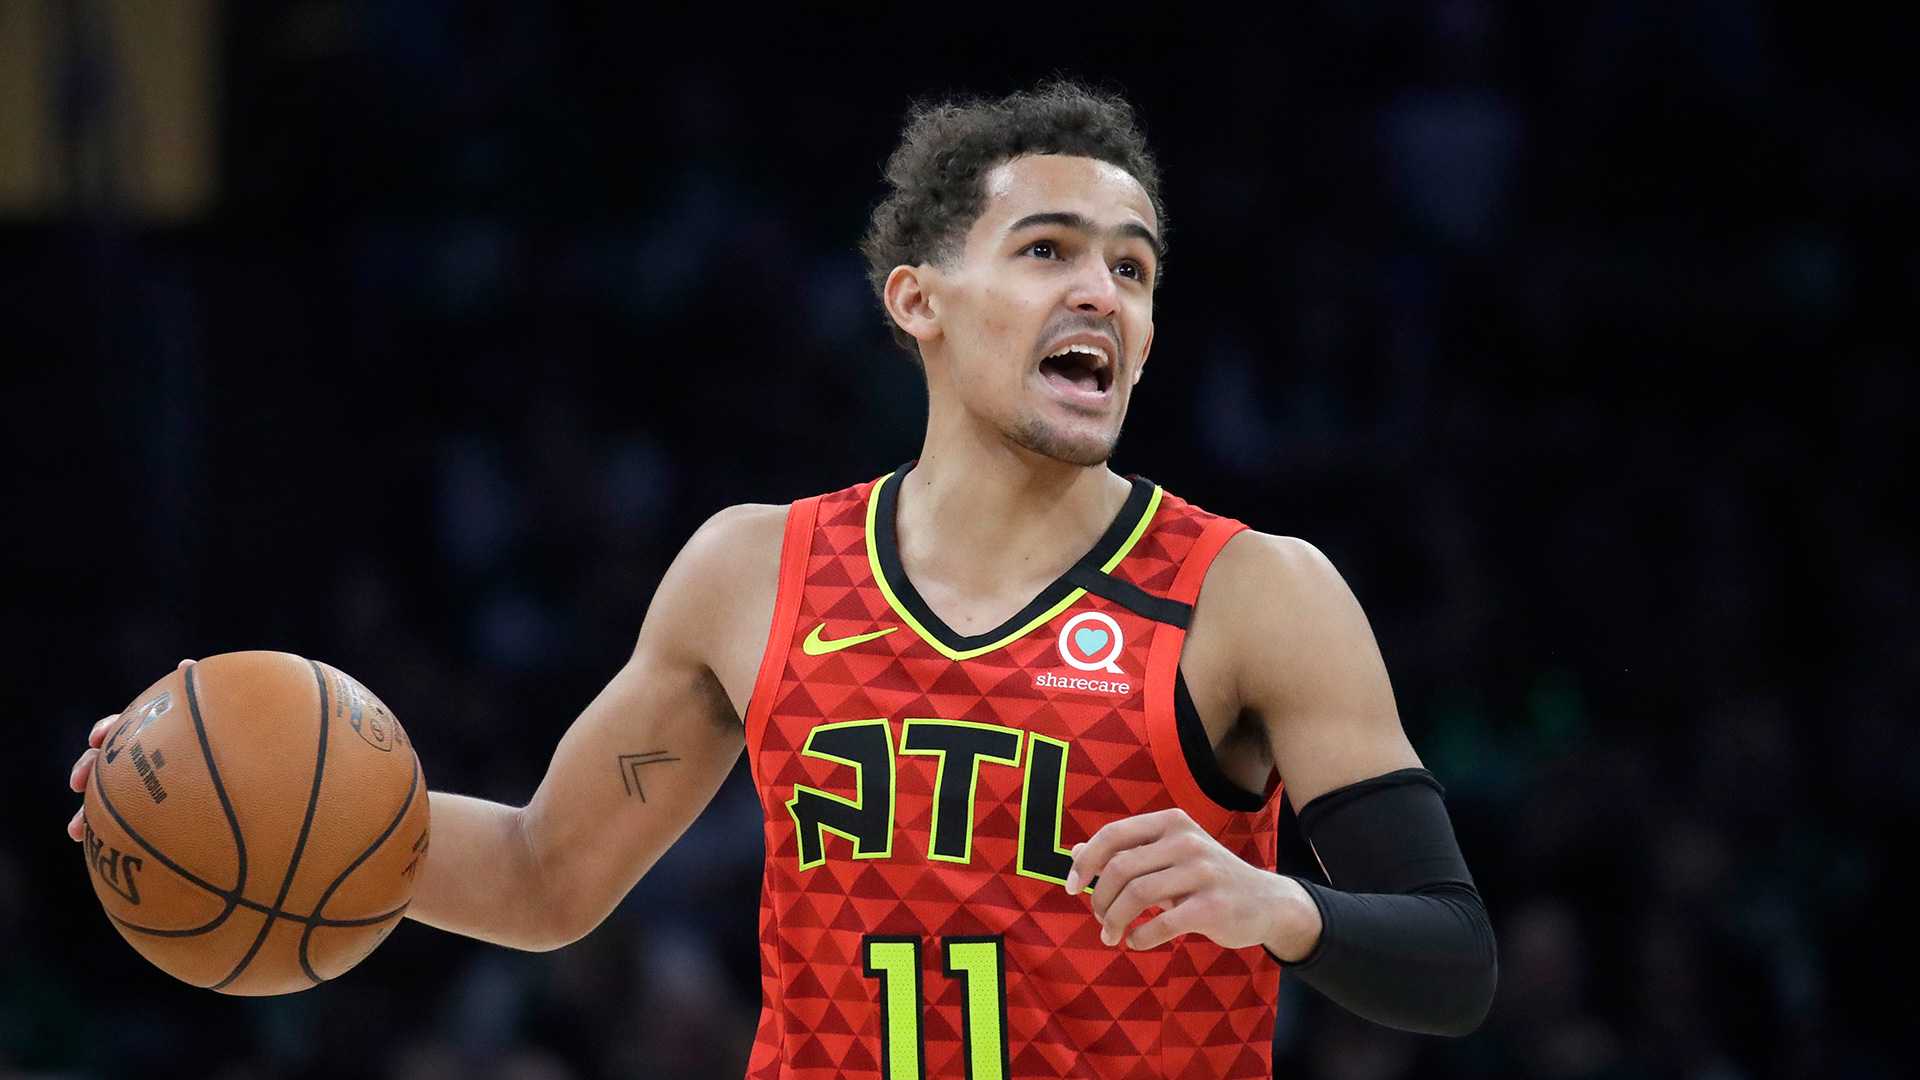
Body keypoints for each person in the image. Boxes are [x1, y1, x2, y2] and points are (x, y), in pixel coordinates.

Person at [69, 81, 1495, 1078]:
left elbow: (1453, 957)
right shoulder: (755, 572)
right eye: (1048, 250)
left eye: (1133, 270)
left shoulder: (1254, 594)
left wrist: (1283, 908)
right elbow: (545, 876)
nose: (1100, 294)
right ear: (917, 300)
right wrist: (220, 790)